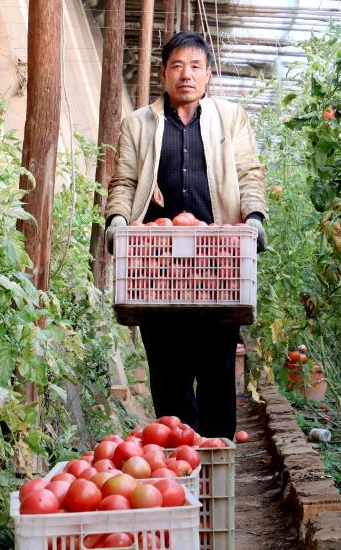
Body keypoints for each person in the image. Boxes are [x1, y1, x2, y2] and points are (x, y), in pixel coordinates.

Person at [104, 31, 267, 438]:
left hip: (216, 266)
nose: (186, 75)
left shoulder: (230, 118)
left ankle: (217, 459)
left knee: (216, 369)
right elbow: (122, 181)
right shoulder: (138, 124)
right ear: (163, 73)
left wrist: (255, 217)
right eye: (177, 66)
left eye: (196, 67)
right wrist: (118, 220)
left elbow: (249, 173)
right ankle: (180, 466)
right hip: (156, 268)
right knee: (167, 372)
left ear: (208, 75)